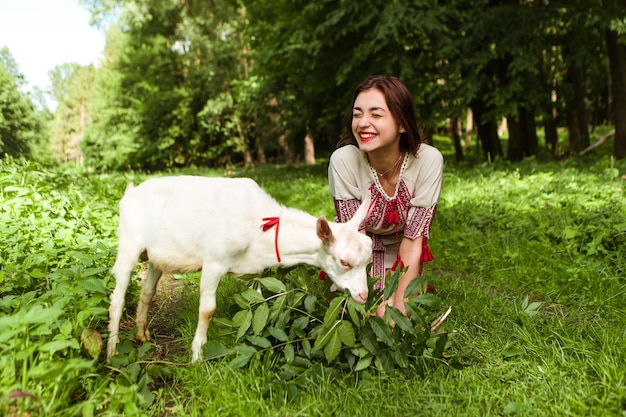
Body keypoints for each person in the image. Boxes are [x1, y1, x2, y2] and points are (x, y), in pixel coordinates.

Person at [328, 75, 443, 317]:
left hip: (402, 248)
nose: (362, 123)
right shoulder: (343, 161)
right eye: (357, 114)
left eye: (376, 114)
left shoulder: (428, 161)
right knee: (360, 311)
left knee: (402, 307)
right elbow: (356, 242)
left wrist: (399, 308)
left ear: (402, 123)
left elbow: (413, 242)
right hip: (357, 250)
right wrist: (375, 307)